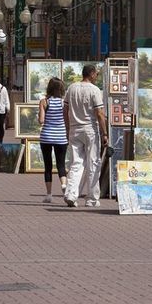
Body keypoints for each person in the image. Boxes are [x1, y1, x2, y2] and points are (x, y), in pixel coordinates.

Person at [63, 63, 107, 207]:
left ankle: (71, 194)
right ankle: (92, 198)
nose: (97, 77)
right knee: (93, 162)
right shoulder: (94, 90)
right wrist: (104, 132)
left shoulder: (71, 88)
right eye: (97, 74)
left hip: (74, 129)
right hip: (90, 129)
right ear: (92, 73)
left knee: (76, 163)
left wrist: (68, 127)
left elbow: (65, 110)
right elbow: (99, 113)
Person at [38, 77, 68, 203]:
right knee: (61, 164)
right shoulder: (64, 103)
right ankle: (64, 185)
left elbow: (41, 120)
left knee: (48, 166)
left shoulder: (44, 101)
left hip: (46, 137)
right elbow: (67, 120)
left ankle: (49, 194)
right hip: (61, 137)